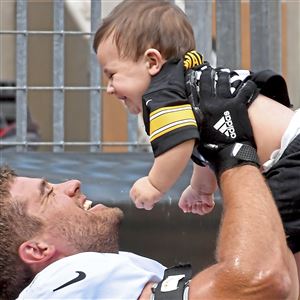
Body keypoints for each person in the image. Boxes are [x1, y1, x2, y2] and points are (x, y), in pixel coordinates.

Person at [0, 70, 298, 299]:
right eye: (48, 193)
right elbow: (262, 281)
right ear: (37, 250)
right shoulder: (63, 283)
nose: (72, 183)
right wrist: (231, 148)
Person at [92, 0, 300, 287]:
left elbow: (179, 142)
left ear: (152, 62)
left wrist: (154, 184)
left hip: (290, 156)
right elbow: (208, 142)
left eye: (112, 74)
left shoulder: (162, 93)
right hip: (292, 144)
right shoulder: (191, 78)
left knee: (271, 238)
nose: (109, 88)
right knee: (286, 239)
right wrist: (200, 188)